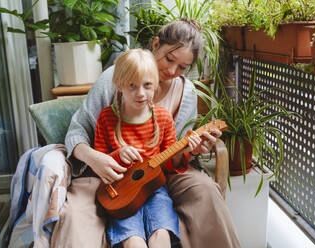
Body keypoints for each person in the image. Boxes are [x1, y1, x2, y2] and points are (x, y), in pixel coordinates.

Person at [51, 18, 242, 248]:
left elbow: (175, 153)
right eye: (169, 59)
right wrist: (96, 158)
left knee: (206, 192)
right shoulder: (119, 75)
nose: (172, 71)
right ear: (155, 45)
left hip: (162, 175)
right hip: (110, 174)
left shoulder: (187, 93)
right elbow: (77, 130)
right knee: (76, 216)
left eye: (182, 67)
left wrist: (192, 151)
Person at [94, 48, 201, 248]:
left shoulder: (163, 118)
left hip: (155, 190)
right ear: (118, 85)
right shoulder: (107, 118)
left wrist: (184, 151)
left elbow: (169, 166)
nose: (141, 93)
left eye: (147, 85)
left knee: (161, 237)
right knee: (133, 242)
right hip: (121, 192)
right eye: (132, 85)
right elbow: (99, 161)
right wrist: (118, 155)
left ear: (155, 85)